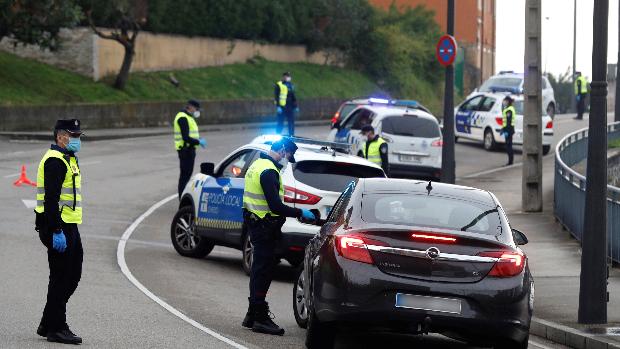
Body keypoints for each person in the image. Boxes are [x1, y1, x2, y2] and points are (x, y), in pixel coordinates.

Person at [241, 137, 315, 336]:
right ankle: (259, 317)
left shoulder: (257, 164)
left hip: (256, 223)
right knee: (263, 271)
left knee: (259, 269)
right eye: (289, 156)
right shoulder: (269, 172)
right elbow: (275, 205)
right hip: (265, 227)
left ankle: (252, 314)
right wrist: (300, 213)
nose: (288, 160)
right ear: (282, 150)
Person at [34, 119, 84, 344]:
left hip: (69, 224)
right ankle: (57, 327)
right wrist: (55, 230)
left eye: (78, 135)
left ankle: (48, 321)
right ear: (60, 136)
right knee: (61, 278)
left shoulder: (68, 158)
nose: (77, 139)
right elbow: (50, 199)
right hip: (58, 226)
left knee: (72, 275)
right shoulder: (55, 161)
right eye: (73, 135)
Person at [173, 99, 207, 198]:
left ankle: (182, 197)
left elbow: (191, 135)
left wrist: (198, 139)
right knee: (184, 176)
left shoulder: (189, 117)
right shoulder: (183, 118)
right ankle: (182, 198)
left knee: (186, 175)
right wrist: (198, 142)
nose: (197, 111)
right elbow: (185, 137)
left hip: (189, 150)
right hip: (185, 150)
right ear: (191, 107)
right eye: (197, 109)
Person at [274, 72, 298, 136]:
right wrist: (278, 106)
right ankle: (277, 135)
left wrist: (295, 106)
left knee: (291, 122)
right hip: (282, 107)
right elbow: (276, 96)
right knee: (280, 122)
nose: (287, 78)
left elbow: (293, 96)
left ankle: (291, 135)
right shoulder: (279, 84)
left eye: (288, 76)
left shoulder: (290, 85)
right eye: (286, 76)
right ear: (283, 77)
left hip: (290, 107)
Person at [501, 96, 516, 166]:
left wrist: (506, 131)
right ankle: (510, 161)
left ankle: (510, 162)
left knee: (508, 146)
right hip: (508, 129)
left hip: (509, 130)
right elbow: (505, 121)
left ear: (508, 101)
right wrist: (503, 129)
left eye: (505, 101)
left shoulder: (509, 110)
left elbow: (508, 122)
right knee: (508, 146)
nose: (504, 102)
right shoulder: (507, 109)